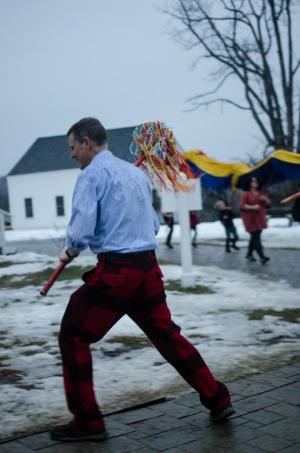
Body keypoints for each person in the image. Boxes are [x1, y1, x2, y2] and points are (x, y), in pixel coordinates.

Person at [50, 117, 235, 443]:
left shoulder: (91, 175)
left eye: (72, 147)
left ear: (87, 143)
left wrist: (70, 249)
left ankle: (87, 422)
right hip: (148, 271)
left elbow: (81, 231)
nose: (71, 155)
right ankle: (217, 398)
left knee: (72, 336)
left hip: (117, 273)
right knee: (167, 336)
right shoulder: (135, 173)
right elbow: (152, 225)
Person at [240, 177, 271, 264]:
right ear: (249, 183)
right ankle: (262, 257)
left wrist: (266, 200)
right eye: (253, 181)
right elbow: (242, 205)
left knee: (254, 238)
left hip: (260, 218)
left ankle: (249, 254)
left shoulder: (262, 193)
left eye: (257, 181)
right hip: (250, 219)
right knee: (256, 238)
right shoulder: (246, 194)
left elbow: (268, 205)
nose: (255, 182)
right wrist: (252, 207)